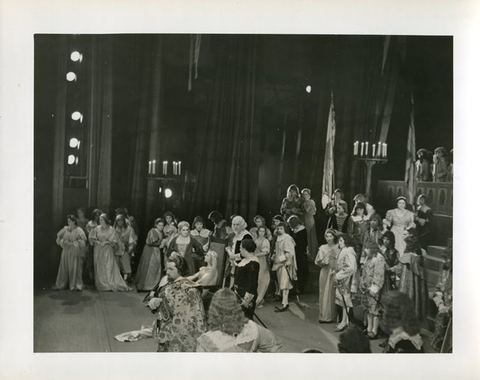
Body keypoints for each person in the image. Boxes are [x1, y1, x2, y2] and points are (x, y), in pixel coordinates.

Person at [146, 254, 207, 352]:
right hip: (165, 332)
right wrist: (155, 303)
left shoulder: (189, 290)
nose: (167, 272)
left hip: (177, 336)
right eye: (167, 269)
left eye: (171, 269)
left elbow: (191, 318)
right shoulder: (169, 285)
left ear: (180, 270)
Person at [196, 288, 282, 352]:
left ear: (213, 310)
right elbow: (275, 345)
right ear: (237, 307)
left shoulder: (207, 340)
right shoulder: (253, 329)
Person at [88, 213, 131, 292]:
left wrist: (107, 242)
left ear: (105, 220)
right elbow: (91, 238)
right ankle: (101, 284)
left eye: (101, 219)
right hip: (98, 249)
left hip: (108, 250)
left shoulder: (111, 229)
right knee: (99, 266)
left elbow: (114, 241)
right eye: (100, 219)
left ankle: (109, 283)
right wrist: (97, 242)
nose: (100, 221)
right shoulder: (96, 229)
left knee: (108, 266)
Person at [398, 237, 429, 322]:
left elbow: (398, 271)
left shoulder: (406, 257)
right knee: (417, 303)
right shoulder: (420, 258)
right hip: (418, 287)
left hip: (406, 286)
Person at [52, 215, 87, 291]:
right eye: (68, 221)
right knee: (65, 266)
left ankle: (74, 284)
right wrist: (64, 242)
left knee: (73, 266)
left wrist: (77, 242)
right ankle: (63, 283)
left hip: (74, 250)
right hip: (66, 250)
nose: (68, 223)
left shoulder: (79, 230)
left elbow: (83, 242)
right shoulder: (65, 229)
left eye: (69, 221)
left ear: (74, 221)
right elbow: (58, 239)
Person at [359, 243, 385, 340]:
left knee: (375, 310)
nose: (365, 250)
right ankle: (369, 328)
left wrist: (375, 288)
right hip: (366, 287)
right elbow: (364, 271)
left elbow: (379, 275)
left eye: (367, 248)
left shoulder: (379, 258)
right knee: (368, 309)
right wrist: (362, 282)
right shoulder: (368, 257)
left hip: (373, 288)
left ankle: (374, 331)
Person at [333, 233, 357, 332]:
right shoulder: (343, 250)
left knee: (345, 300)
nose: (340, 242)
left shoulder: (349, 251)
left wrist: (339, 275)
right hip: (342, 278)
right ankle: (344, 321)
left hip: (345, 279)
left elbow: (351, 267)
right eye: (339, 241)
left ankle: (345, 322)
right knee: (342, 301)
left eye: (342, 241)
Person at [315, 229, 340, 323]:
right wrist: (322, 261)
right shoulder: (322, 248)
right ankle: (324, 316)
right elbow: (318, 261)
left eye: (330, 236)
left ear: (334, 237)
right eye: (327, 236)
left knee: (332, 292)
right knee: (323, 292)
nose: (329, 238)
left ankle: (333, 315)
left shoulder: (338, 247)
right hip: (325, 271)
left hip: (334, 271)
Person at [431, 243, 452, 353]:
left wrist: (450, 308)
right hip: (443, 311)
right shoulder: (444, 272)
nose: (445, 261)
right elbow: (438, 289)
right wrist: (440, 304)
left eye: (447, 259)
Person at [271, 222, 297, 312]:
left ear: (284, 229)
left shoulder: (287, 238)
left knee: (285, 283)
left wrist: (280, 259)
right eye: (278, 228)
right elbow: (276, 250)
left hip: (285, 264)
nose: (279, 230)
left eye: (281, 228)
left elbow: (290, 253)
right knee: (281, 282)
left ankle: (285, 302)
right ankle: (283, 301)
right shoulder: (278, 238)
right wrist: (274, 256)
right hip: (278, 264)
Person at [135, 218, 165, 291]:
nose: (161, 227)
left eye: (162, 225)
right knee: (149, 266)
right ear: (156, 225)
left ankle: (153, 285)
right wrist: (161, 243)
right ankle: (146, 286)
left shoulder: (162, 232)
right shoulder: (153, 231)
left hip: (156, 251)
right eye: (159, 225)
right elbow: (150, 242)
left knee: (155, 267)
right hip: (151, 251)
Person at [233, 239, 260, 319]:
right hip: (238, 293)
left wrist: (247, 300)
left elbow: (253, 283)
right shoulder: (245, 259)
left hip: (245, 296)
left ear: (245, 249)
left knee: (245, 319)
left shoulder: (254, 263)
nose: (240, 250)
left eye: (241, 248)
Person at [225, 216, 253, 287]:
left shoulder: (246, 235)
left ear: (242, 225)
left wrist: (229, 252)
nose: (235, 227)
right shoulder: (236, 234)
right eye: (234, 225)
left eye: (237, 225)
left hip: (243, 261)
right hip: (236, 261)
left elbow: (247, 251)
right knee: (233, 276)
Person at [288, 215, 309, 294]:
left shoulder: (302, 231)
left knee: (301, 270)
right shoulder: (295, 230)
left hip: (300, 253)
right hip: (295, 252)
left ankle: (301, 287)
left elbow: (302, 244)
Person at [113, 214, 138, 282]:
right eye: (118, 221)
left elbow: (132, 239)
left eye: (121, 221)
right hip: (116, 249)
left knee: (125, 263)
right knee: (116, 264)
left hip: (125, 248)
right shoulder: (114, 229)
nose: (120, 222)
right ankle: (117, 279)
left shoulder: (129, 229)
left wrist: (130, 248)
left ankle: (125, 279)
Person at [253, 225, 270, 308]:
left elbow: (266, 252)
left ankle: (258, 300)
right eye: (260, 231)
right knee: (256, 279)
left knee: (262, 279)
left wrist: (256, 254)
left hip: (261, 261)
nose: (261, 233)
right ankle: (255, 299)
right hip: (256, 260)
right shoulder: (256, 240)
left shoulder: (265, 241)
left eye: (263, 231)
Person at [84, 208, 102, 283]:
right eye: (95, 215)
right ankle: (91, 278)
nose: (96, 217)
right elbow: (88, 234)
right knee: (90, 261)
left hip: (99, 244)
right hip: (91, 244)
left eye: (98, 215)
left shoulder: (101, 223)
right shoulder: (89, 224)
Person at [301, 188, 319, 258]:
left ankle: (312, 255)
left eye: (307, 194)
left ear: (309, 195)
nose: (305, 196)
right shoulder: (304, 202)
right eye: (304, 194)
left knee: (310, 236)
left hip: (309, 220)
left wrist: (305, 203)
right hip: (304, 219)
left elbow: (310, 211)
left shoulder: (311, 202)